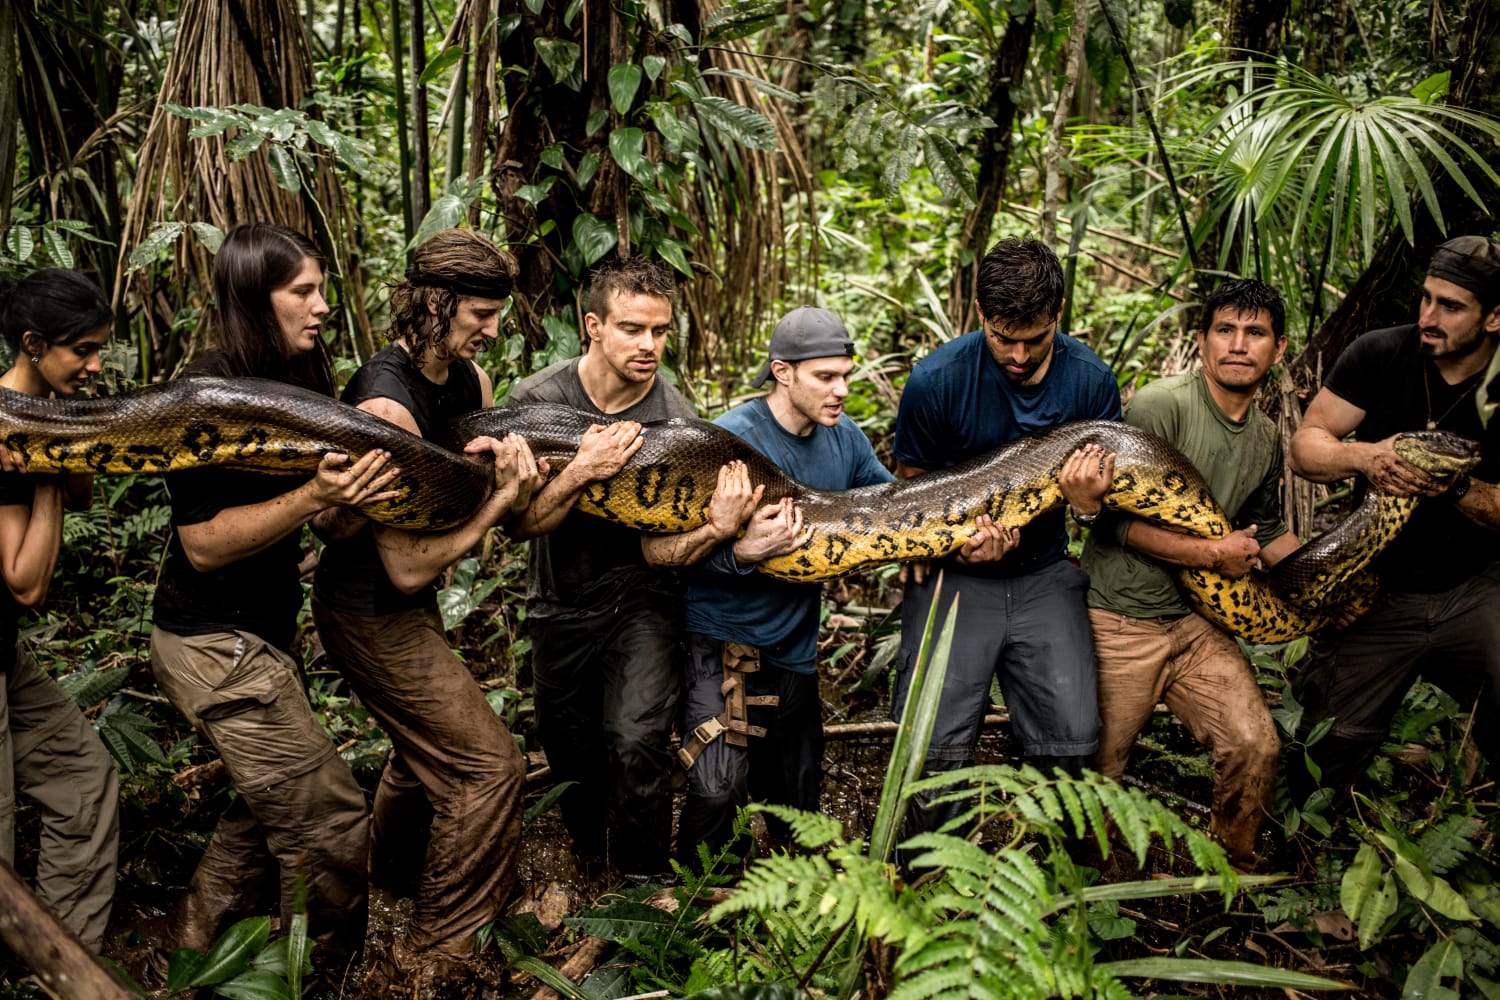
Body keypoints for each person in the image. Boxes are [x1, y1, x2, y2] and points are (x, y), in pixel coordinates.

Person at [148, 224, 396, 968]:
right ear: (258, 300)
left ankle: (190, 958)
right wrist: (312, 496)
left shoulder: (299, 378)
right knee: (329, 821)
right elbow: (203, 541)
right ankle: (310, 973)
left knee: (259, 815)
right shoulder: (206, 395)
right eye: (302, 293)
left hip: (258, 637)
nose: (322, 307)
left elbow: (320, 514)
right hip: (209, 642)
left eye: (321, 288)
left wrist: (349, 498)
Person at [312, 229, 543, 985]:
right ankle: (441, 953)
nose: (492, 328)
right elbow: (407, 564)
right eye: (480, 312)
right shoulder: (387, 398)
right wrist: (502, 499)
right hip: (369, 608)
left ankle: (394, 884)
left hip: (408, 605)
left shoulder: (466, 381)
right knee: (488, 766)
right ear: (436, 303)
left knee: (425, 755)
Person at [890, 236, 1121, 841]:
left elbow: (1104, 506)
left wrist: (1088, 507)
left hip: (1044, 570)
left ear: (1059, 315)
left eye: (1034, 340)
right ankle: (923, 877)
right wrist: (949, 544)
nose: (1017, 356)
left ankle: (1055, 878)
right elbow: (910, 486)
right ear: (979, 312)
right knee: (934, 742)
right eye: (1002, 338)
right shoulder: (936, 380)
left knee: (1071, 734)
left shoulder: (1092, 382)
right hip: (956, 575)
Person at [1075, 278, 1297, 866]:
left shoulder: (1268, 435)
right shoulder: (1160, 407)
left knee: (1255, 744)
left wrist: (1324, 583)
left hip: (1196, 625)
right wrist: (1208, 556)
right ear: (1202, 342)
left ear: (1277, 350)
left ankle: (1233, 874)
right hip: (1121, 620)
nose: (1238, 345)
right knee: (1099, 773)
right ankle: (1089, 897)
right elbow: (1110, 523)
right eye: (1225, 330)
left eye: (1256, 334)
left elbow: (1265, 528)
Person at [664, 307, 894, 861]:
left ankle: (791, 909)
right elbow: (677, 554)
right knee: (718, 790)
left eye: (846, 375)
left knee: (799, 798)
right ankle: (688, 915)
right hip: (721, 642)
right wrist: (743, 553)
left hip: (793, 649)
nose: (841, 390)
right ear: (782, 372)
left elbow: (893, 508)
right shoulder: (730, 440)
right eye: (826, 377)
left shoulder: (846, 440)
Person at [508, 254, 695, 880]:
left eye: (660, 331)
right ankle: (593, 860)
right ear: (593, 325)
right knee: (570, 748)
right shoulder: (537, 400)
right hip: (559, 597)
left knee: (637, 738)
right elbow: (520, 522)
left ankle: (644, 881)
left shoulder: (675, 418)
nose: (650, 345)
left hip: (645, 596)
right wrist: (584, 469)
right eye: (632, 329)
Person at [1290, 235, 1500, 790]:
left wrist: (1447, 486)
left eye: (1451, 306)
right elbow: (1307, 445)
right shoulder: (1379, 352)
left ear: (1495, 317)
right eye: (1426, 298)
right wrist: (1363, 456)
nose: (1429, 316)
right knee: (1324, 750)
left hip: (1476, 587)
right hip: (1379, 590)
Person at [0, 269, 119, 953]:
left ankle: (63, 964)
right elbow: (24, 582)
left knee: (83, 780)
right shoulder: (9, 427)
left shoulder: (38, 411)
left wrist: (62, 441)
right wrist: (46, 461)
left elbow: (77, 490)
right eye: (81, 350)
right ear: (31, 343)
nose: (95, 365)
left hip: (5, 655)